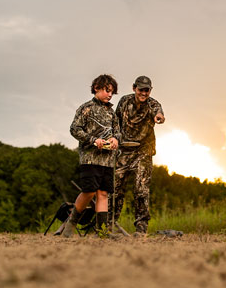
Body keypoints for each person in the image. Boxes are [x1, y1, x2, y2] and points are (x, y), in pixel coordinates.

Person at [61, 74, 122, 238]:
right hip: (90, 158)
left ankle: (102, 232)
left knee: (103, 194)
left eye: (112, 92)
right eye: (107, 90)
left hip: (108, 160)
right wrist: (94, 140)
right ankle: (71, 223)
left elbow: (118, 131)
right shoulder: (86, 108)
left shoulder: (111, 113)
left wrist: (116, 139)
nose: (110, 94)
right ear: (97, 88)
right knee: (89, 192)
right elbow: (75, 129)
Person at [112, 75, 165, 236]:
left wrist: (159, 117)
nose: (143, 93)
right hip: (124, 151)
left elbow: (159, 113)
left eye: (146, 90)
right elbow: (115, 123)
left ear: (150, 90)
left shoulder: (153, 104)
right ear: (134, 88)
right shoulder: (124, 101)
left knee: (141, 190)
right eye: (141, 89)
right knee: (115, 189)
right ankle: (108, 226)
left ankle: (141, 229)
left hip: (144, 151)